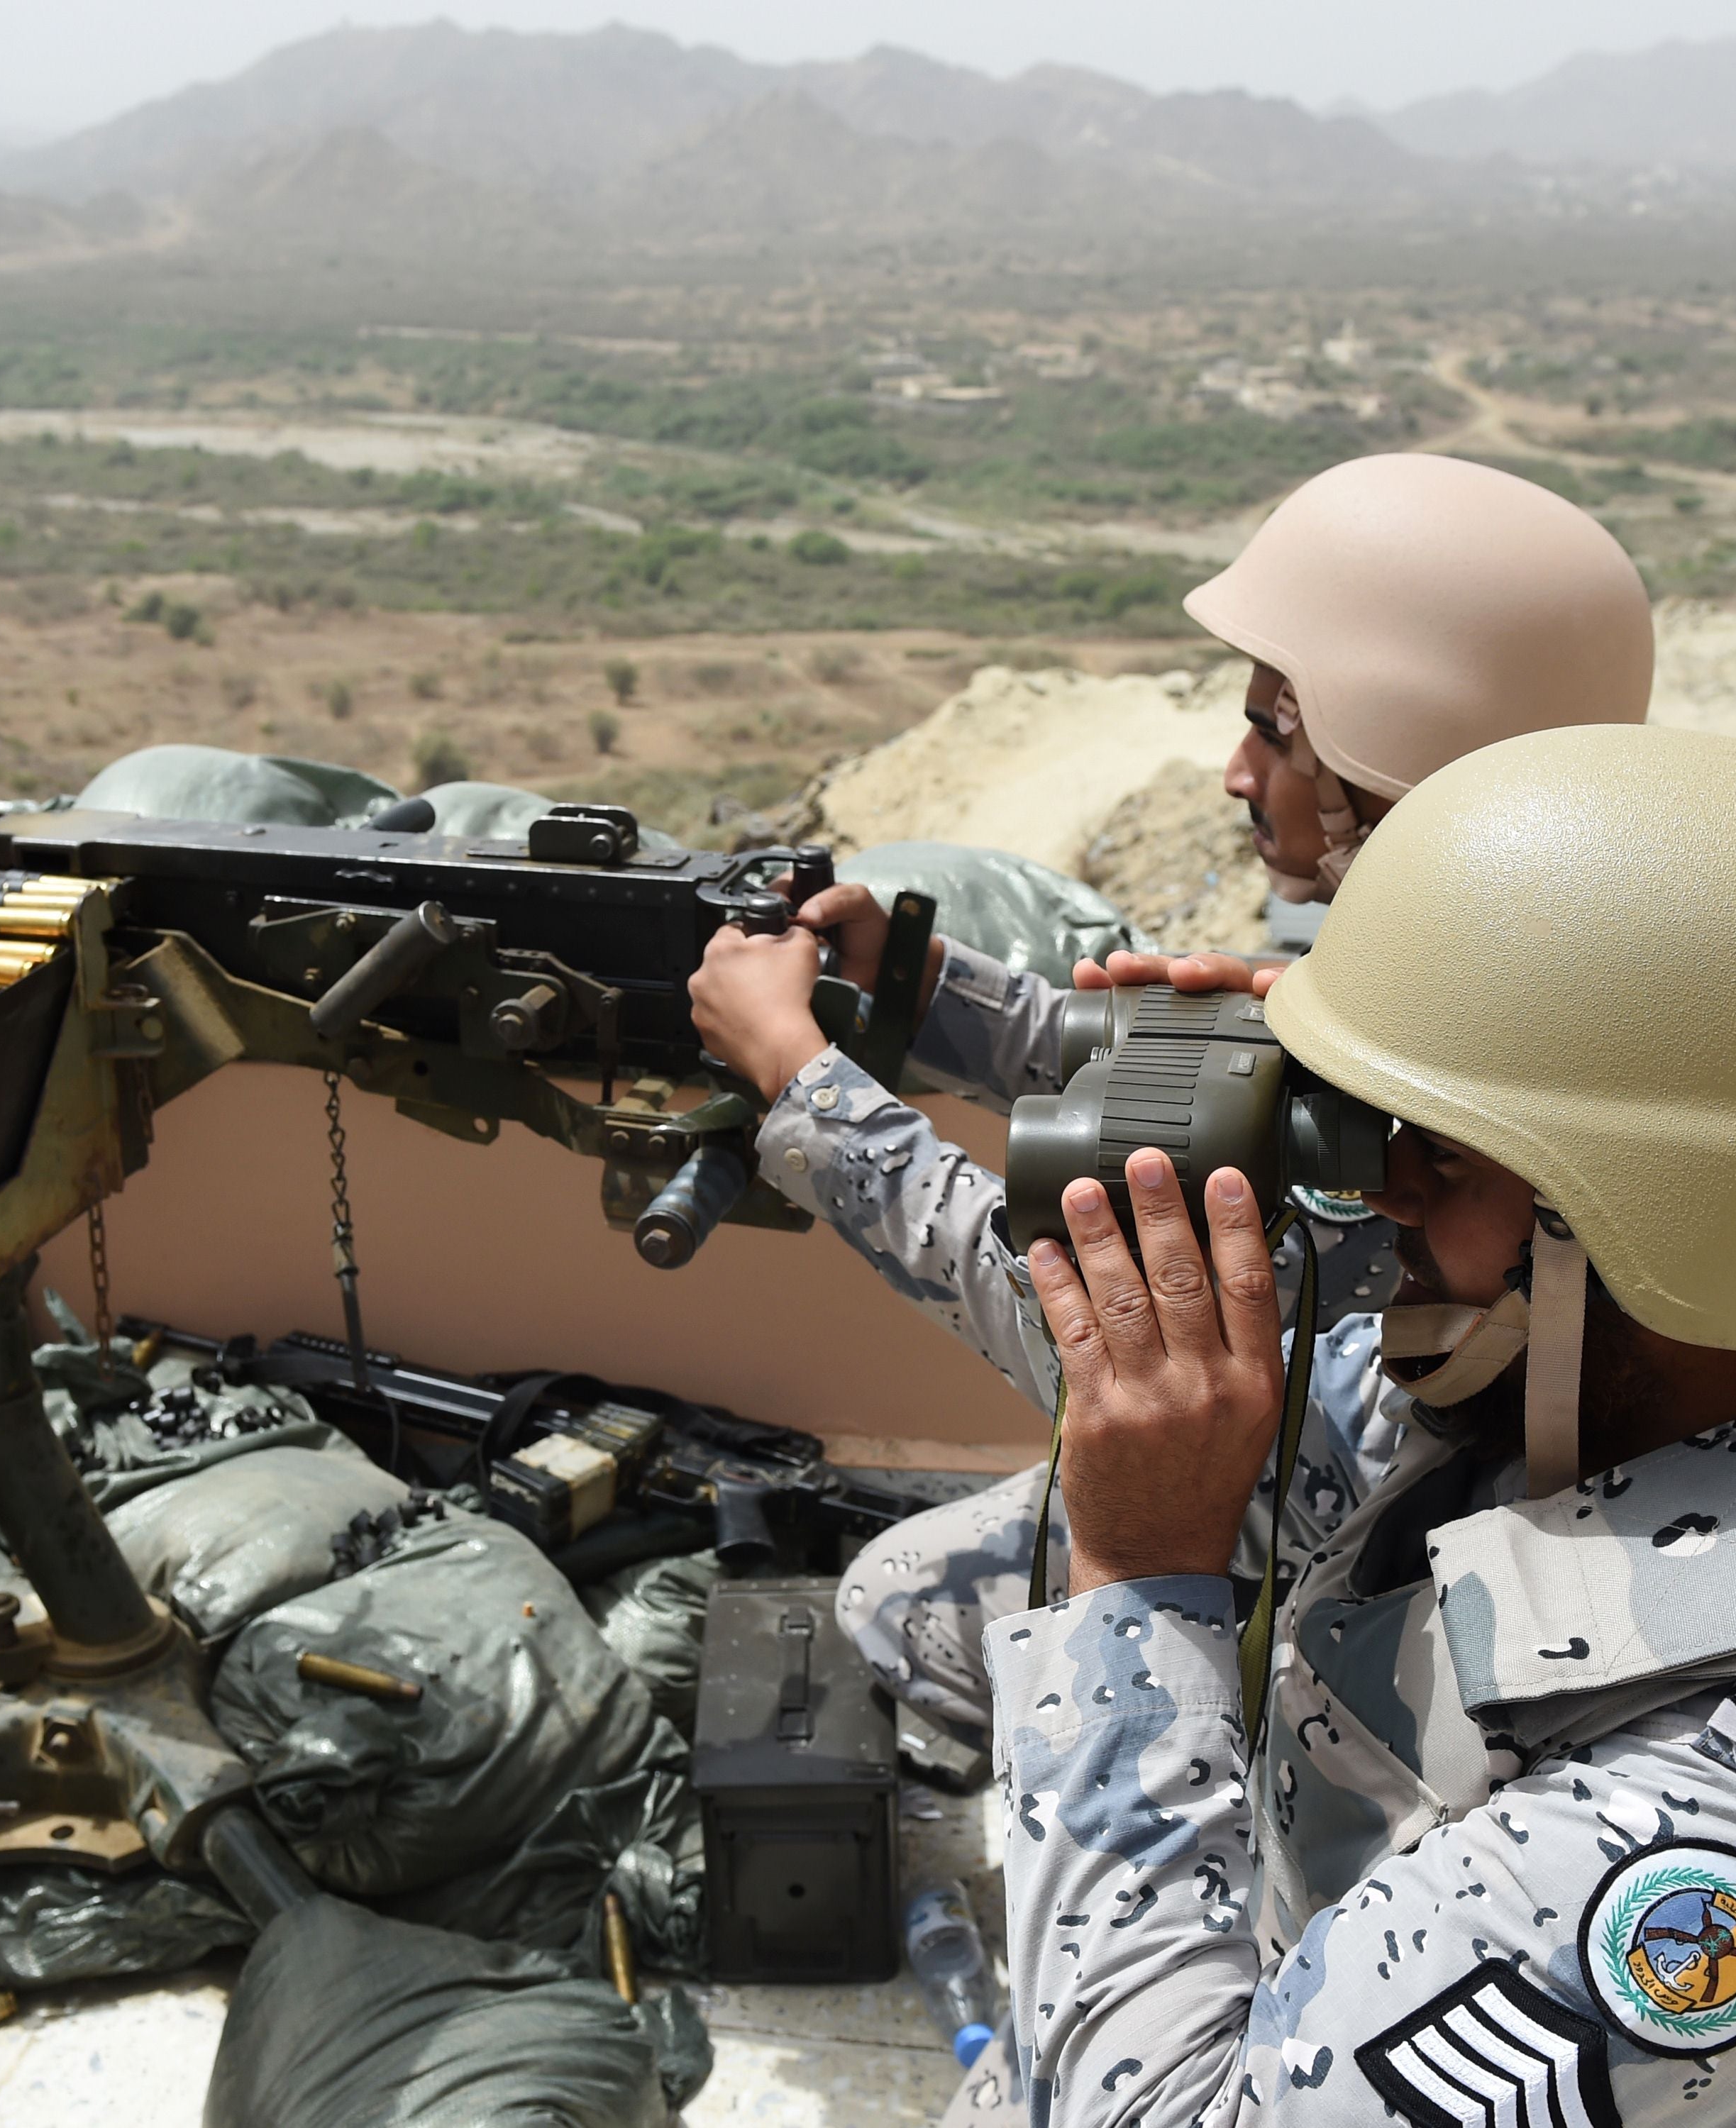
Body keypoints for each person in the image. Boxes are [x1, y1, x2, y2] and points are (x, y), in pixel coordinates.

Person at [987, 722, 1736, 2124]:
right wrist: (1311, 1073)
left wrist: (1137, 1578)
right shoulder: (1675, 1405)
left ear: (1640, 1230)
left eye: (1434, 1158)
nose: (1385, 1195)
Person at [686, 453, 1654, 1743]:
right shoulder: (1534, 961)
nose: (1239, 772)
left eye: (1279, 729)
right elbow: (1162, 1080)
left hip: (1408, 1559)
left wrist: (803, 1092)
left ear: (1386, 767)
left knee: (899, 1607)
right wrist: (916, 988)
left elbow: (1123, 1340)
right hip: (1408, 1488)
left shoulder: (1474, 1085)